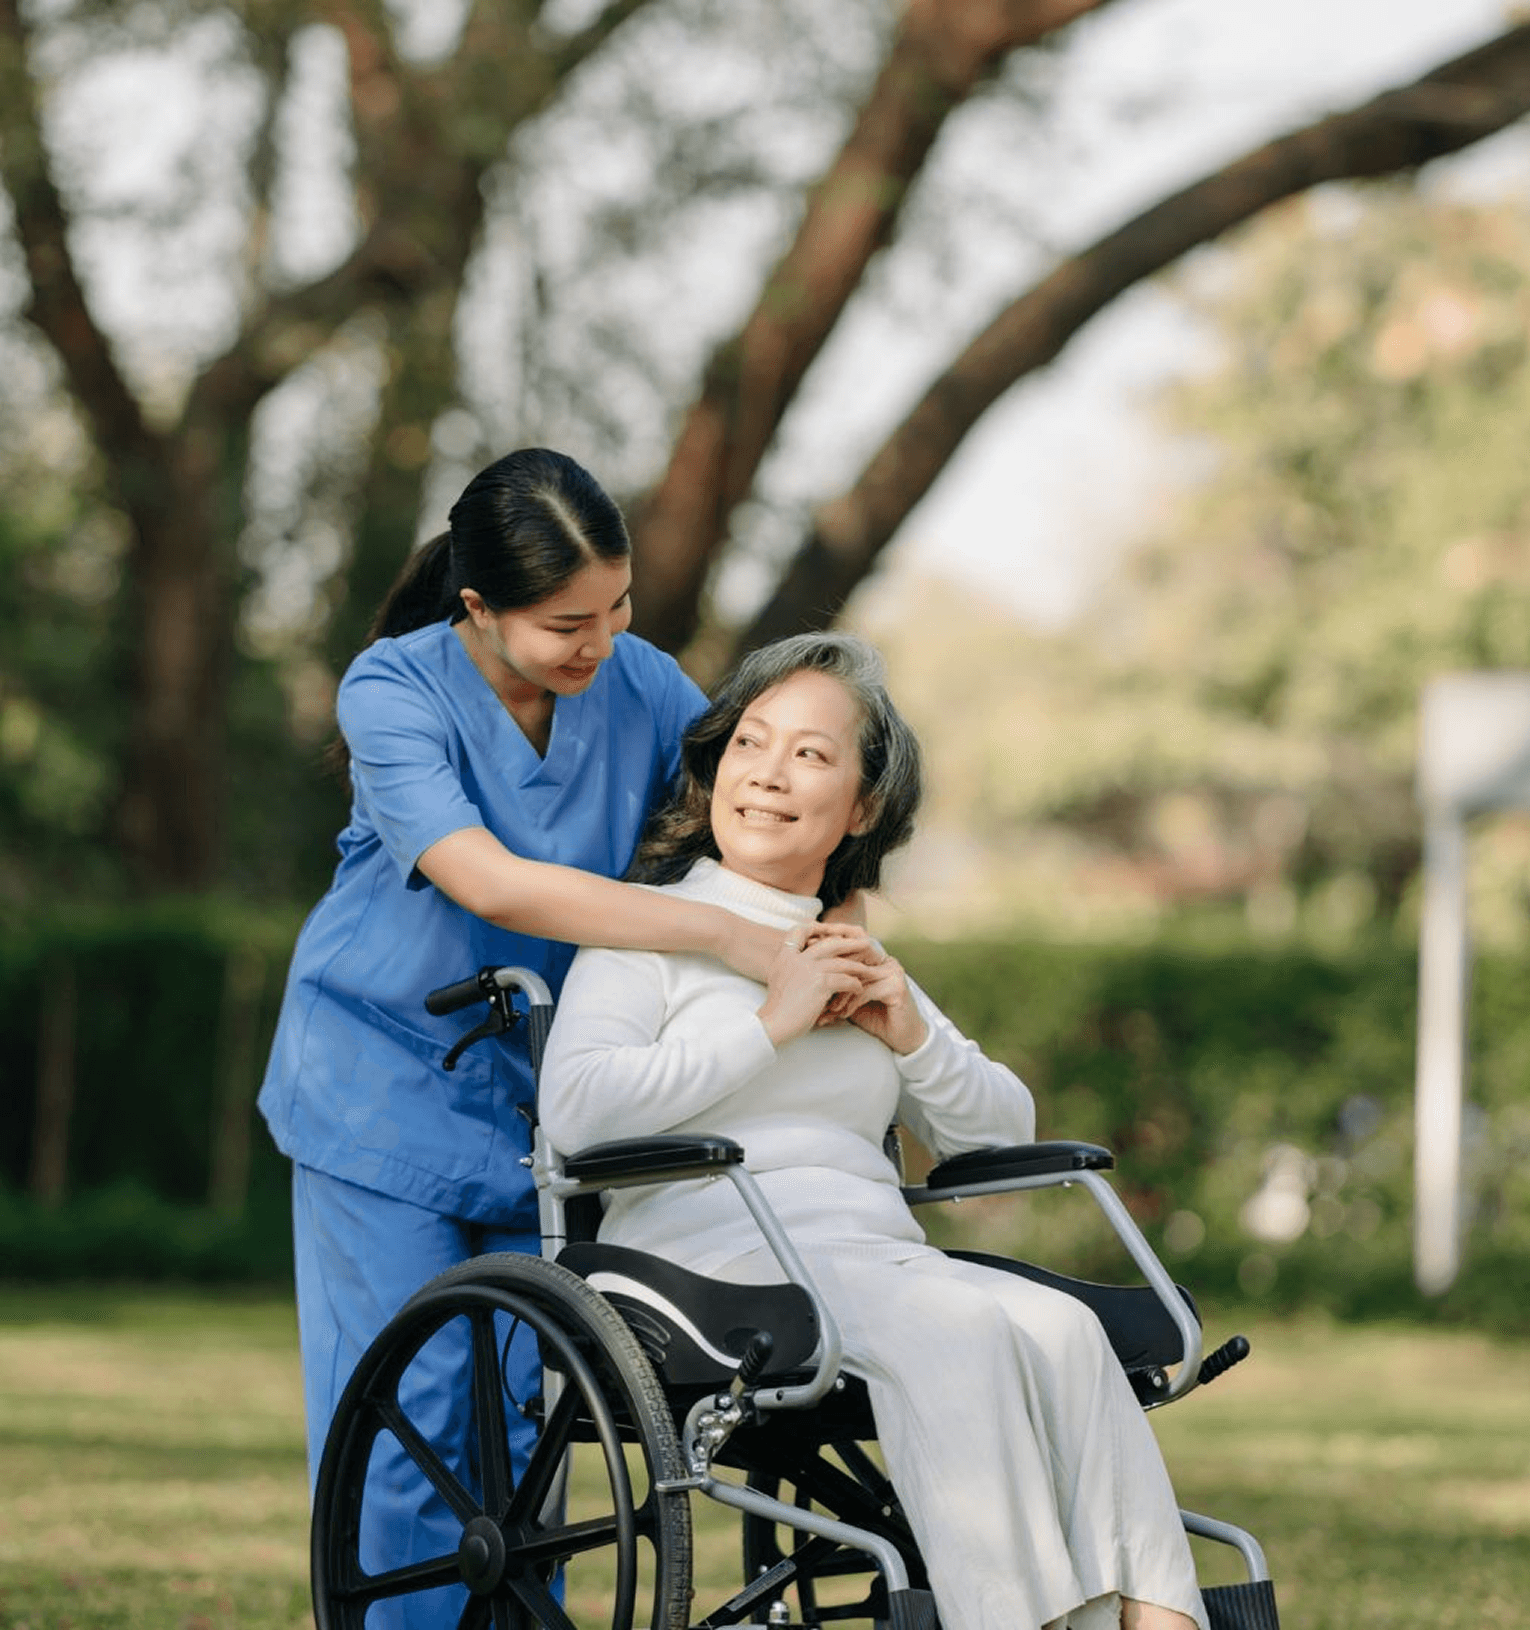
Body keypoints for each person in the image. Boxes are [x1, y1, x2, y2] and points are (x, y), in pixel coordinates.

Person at [257, 450, 871, 1613]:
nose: (601, 641)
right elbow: (490, 882)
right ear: (479, 609)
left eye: (618, 606)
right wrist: (735, 948)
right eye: (566, 622)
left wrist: (835, 923)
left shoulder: (640, 685)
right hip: (376, 1089)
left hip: (544, 1102)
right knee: (412, 1419)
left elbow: (751, 826)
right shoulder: (393, 690)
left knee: (519, 1432)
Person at [544, 632, 1209, 1630]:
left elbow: (996, 1140)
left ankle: (1156, 1619)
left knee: (1063, 1329)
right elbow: (579, 1111)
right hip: (702, 1265)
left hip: (869, 1258)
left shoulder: (856, 954)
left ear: (859, 807)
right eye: (750, 744)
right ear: (716, 764)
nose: (767, 774)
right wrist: (771, 1023)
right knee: (953, 1325)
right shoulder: (648, 930)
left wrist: (909, 1030)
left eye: (810, 754)